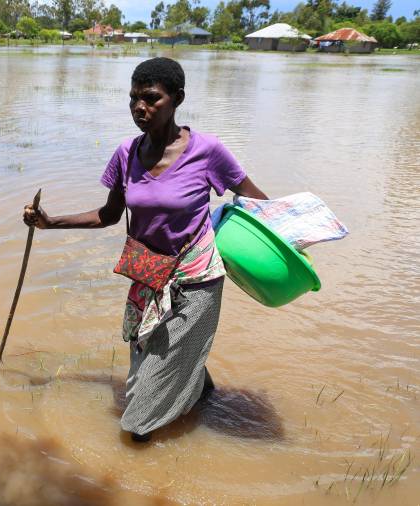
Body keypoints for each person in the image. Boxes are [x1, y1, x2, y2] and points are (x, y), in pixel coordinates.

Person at [23, 57, 268, 442]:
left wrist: (285, 244)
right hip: (148, 273)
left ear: (177, 99)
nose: (140, 107)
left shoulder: (208, 151)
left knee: (138, 412)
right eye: (134, 98)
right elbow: (108, 215)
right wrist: (50, 222)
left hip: (197, 277)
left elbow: (258, 202)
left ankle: (143, 429)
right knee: (154, 355)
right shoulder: (126, 154)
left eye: (152, 98)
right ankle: (199, 386)